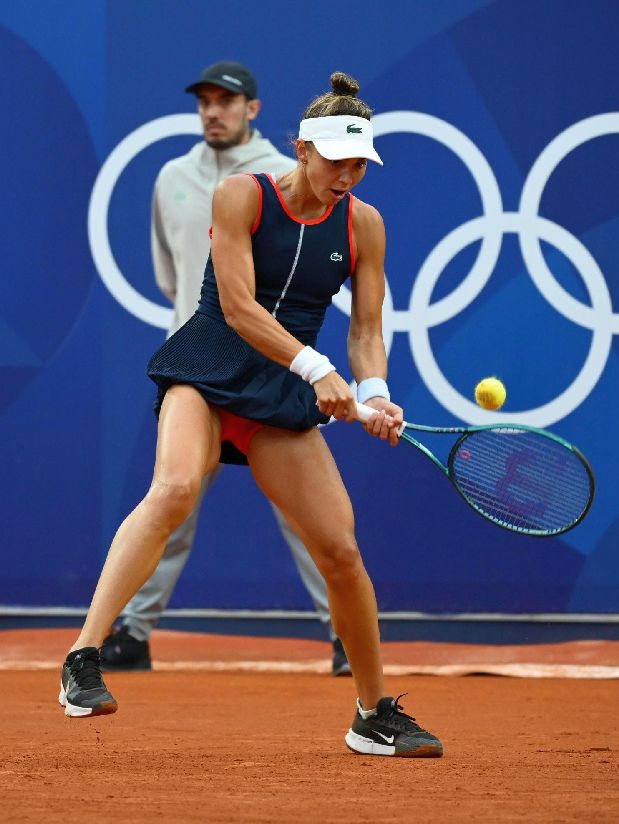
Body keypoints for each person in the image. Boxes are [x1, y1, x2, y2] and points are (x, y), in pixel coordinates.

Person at [60, 71, 443, 758]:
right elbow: (236, 307)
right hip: (209, 366)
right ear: (300, 150)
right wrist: (316, 369)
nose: (348, 175)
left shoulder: (365, 225)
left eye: (360, 163)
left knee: (340, 549)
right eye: (336, 161)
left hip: (277, 396)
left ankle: (372, 711)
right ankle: (84, 657)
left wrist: (376, 389)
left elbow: (364, 327)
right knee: (174, 489)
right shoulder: (241, 194)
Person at [99, 60, 349, 678]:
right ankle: (132, 631)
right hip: (201, 363)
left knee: (304, 516)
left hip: (274, 368)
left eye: (227, 101)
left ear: (253, 110)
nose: (214, 110)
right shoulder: (171, 177)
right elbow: (171, 277)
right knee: (172, 498)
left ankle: (343, 632)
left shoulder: (287, 177)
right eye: (206, 101)